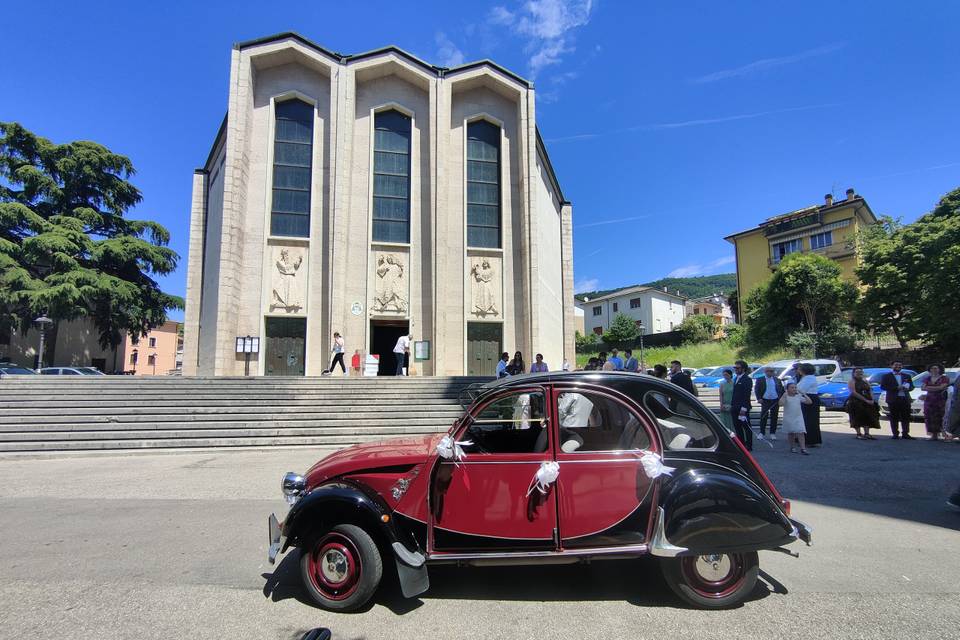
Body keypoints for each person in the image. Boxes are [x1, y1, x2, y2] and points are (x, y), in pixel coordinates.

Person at [880, 361, 915, 439]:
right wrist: (896, 388)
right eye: (896, 365)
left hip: (905, 398)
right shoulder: (886, 376)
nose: (898, 366)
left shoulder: (907, 376)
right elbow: (883, 387)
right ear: (891, 366)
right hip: (893, 399)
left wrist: (908, 388)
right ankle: (895, 434)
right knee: (894, 417)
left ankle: (905, 433)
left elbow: (912, 386)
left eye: (900, 365)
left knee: (906, 417)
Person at [780, 381, 813, 454]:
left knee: (801, 432)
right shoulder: (786, 396)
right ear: (787, 389)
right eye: (792, 388)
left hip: (798, 417)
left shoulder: (798, 396)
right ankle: (792, 447)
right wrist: (784, 396)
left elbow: (809, 402)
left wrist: (803, 394)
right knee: (791, 433)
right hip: (789, 417)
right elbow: (780, 404)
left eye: (795, 387)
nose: (794, 389)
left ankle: (803, 449)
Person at [847, 367, 880, 439]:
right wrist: (865, 400)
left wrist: (872, 399)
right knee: (857, 418)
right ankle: (858, 434)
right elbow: (853, 392)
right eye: (857, 372)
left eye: (861, 372)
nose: (859, 373)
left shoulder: (865, 380)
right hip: (856, 402)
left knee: (867, 417)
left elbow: (870, 389)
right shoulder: (851, 381)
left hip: (867, 401)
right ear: (854, 373)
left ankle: (867, 433)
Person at [754, 367, 784, 441]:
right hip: (765, 400)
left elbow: (781, 389)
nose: (770, 372)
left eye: (771, 371)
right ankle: (762, 432)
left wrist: (780, 398)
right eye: (768, 371)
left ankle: (772, 433)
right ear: (765, 371)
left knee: (774, 417)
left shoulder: (777, 380)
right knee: (764, 416)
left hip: (775, 400)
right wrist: (759, 398)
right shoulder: (760, 379)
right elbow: (757, 389)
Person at [796, 363, 822, 446]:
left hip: (809, 398)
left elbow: (801, 389)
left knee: (809, 420)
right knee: (806, 419)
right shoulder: (807, 378)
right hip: (808, 397)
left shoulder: (808, 378)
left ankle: (810, 440)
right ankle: (804, 438)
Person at [921, 364, 950, 441]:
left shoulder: (944, 378)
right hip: (929, 400)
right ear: (929, 370)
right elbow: (922, 388)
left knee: (941, 417)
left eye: (936, 368)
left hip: (940, 400)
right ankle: (934, 436)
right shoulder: (927, 378)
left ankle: (946, 436)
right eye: (932, 368)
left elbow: (942, 387)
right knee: (929, 417)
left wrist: (928, 388)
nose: (934, 370)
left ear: (940, 369)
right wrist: (936, 388)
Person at [730, 360, 754, 450]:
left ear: (743, 369)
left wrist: (744, 408)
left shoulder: (747, 379)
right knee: (737, 427)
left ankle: (749, 445)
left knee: (746, 426)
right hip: (735, 406)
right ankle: (741, 445)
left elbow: (746, 394)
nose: (735, 369)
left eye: (738, 368)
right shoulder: (736, 378)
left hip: (742, 406)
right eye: (735, 368)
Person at [944, 375, 960, 441]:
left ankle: (952, 434)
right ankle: (950, 434)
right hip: (958, 401)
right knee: (954, 418)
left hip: (957, 401)